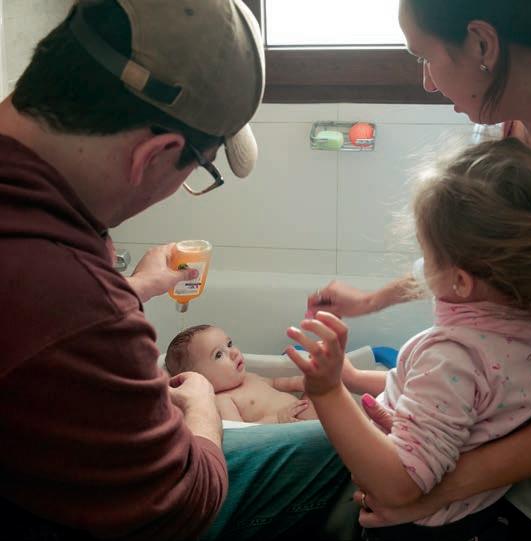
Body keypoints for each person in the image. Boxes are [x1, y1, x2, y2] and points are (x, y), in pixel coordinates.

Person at [307, 1, 531, 539]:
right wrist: (374, 300)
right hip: (485, 424)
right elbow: (478, 255)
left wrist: (429, 487)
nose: (427, 82)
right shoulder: (510, 121)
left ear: (483, 44)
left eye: (424, 58)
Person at [0, 1, 349, 540]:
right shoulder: (74, 300)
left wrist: (133, 288)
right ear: (156, 153)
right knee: (346, 447)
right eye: (200, 169)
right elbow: (179, 508)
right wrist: (203, 408)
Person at [289, 138, 531, 539]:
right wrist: (356, 378)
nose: (421, 269)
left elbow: (398, 485)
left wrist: (327, 392)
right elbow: (458, 403)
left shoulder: (453, 356)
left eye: (427, 256)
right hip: (473, 514)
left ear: (461, 281)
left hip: (409, 527)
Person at [166, 324, 318, 423]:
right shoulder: (223, 401)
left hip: (302, 411)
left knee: (321, 387)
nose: (233, 352)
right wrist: (277, 419)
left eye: (229, 344)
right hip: (292, 425)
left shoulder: (248, 377)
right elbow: (242, 433)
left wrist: (302, 382)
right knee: (323, 399)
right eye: (219, 355)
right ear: (198, 378)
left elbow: (278, 383)